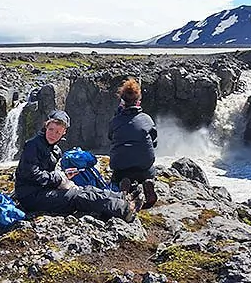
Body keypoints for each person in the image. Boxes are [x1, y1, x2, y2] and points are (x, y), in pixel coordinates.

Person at [13, 110, 143, 222]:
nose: (53, 134)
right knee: (77, 197)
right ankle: (125, 210)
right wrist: (59, 178)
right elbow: (31, 174)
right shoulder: (33, 145)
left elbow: (47, 175)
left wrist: (64, 175)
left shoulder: (55, 150)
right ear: (46, 127)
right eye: (51, 129)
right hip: (30, 197)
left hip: (43, 190)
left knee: (86, 189)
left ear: (64, 133)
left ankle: (121, 197)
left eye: (58, 132)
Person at [108, 78, 158, 208]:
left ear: (122, 101)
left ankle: (124, 184)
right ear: (138, 101)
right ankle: (147, 181)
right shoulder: (147, 119)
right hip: (144, 165)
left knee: (119, 174)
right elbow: (154, 142)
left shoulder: (115, 121)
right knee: (148, 170)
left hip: (122, 166)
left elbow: (110, 137)